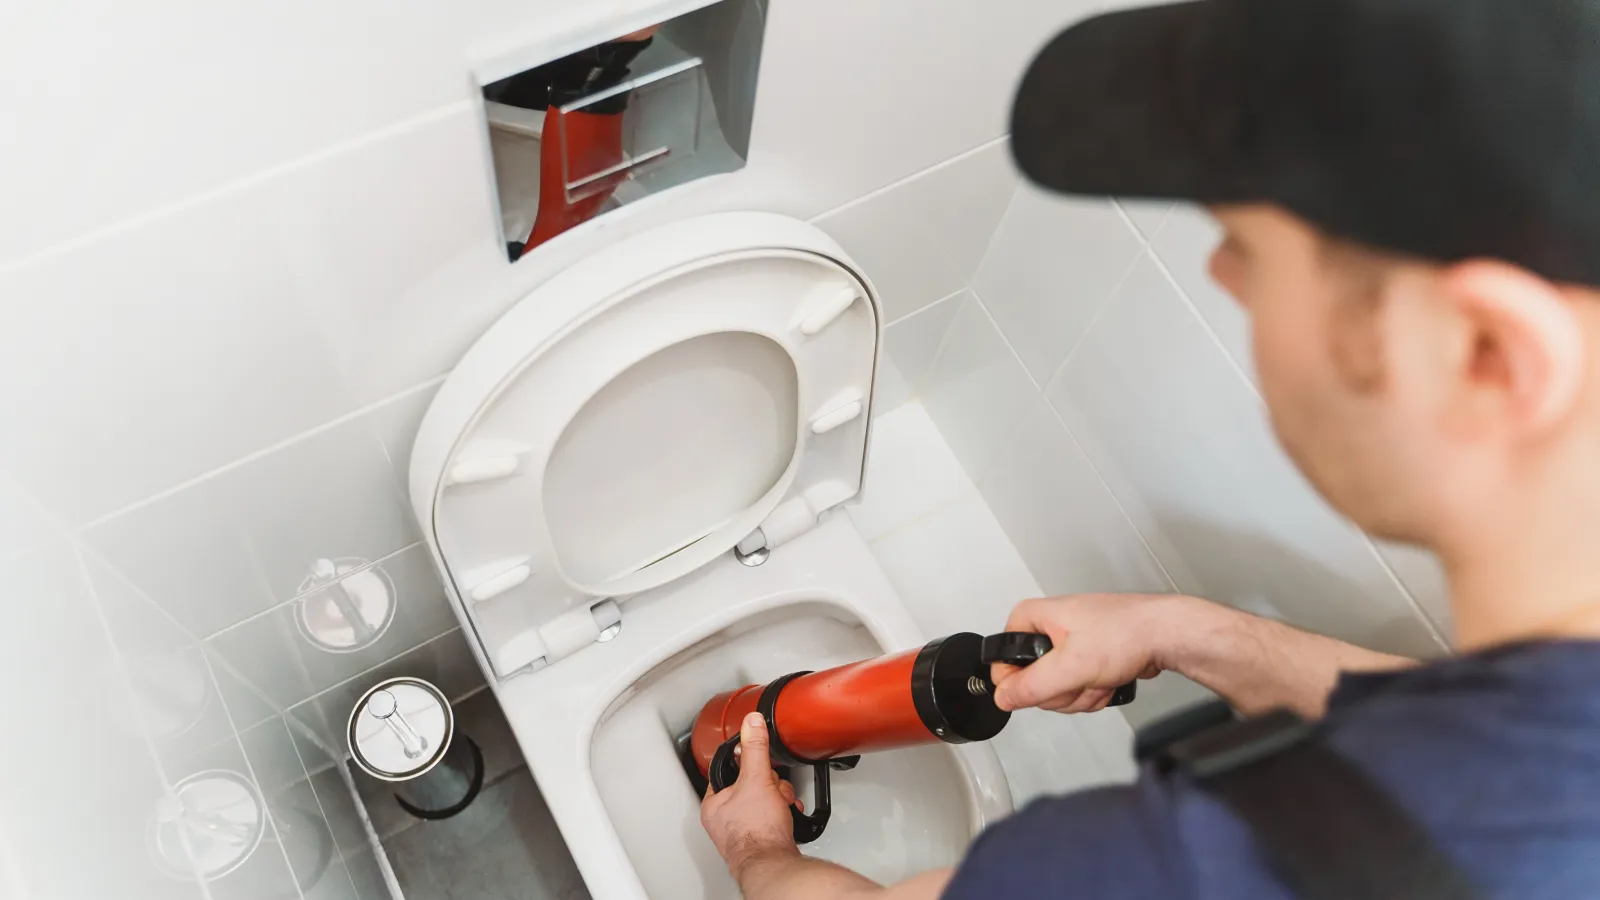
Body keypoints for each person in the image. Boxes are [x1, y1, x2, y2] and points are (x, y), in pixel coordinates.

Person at [699, 0, 1600, 896]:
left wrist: (758, 852)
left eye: (1250, 248)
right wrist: (1180, 631)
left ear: (1488, 354)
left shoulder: (1209, 869)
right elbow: (1450, 729)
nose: (1222, 276)